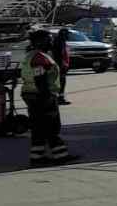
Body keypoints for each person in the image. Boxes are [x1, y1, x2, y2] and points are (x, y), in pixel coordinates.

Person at [20, 28, 77, 166]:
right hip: (41, 95)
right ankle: (60, 156)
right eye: (49, 39)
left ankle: (37, 157)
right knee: (51, 126)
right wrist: (46, 96)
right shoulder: (40, 57)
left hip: (31, 94)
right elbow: (40, 78)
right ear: (41, 41)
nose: (51, 41)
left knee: (39, 127)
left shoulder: (32, 55)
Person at [50, 27, 72, 105]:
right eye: (67, 34)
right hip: (59, 66)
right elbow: (59, 55)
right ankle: (60, 98)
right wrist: (62, 65)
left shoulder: (61, 41)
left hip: (61, 65)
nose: (68, 36)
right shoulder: (59, 42)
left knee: (61, 83)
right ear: (63, 34)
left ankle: (59, 98)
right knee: (61, 83)